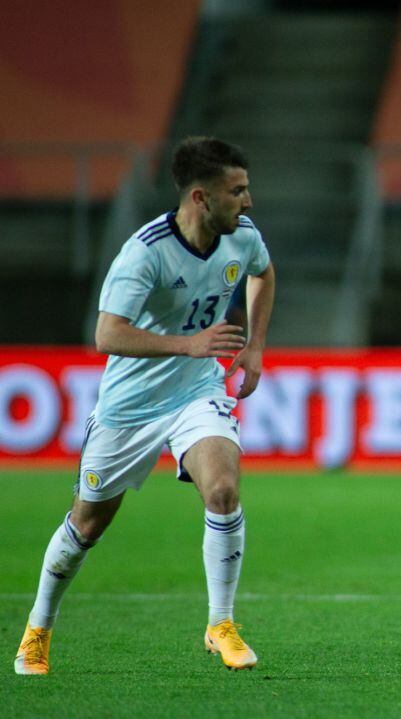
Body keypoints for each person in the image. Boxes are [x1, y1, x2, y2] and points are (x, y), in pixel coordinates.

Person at [14, 137, 275, 674]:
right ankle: (37, 628)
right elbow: (107, 335)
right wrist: (188, 343)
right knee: (86, 527)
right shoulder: (146, 252)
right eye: (237, 191)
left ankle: (221, 623)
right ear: (201, 197)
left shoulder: (241, 236)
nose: (248, 201)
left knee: (223, 490)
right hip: (129, 407)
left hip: (197, 391)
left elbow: (263, 272)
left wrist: (254, 346)